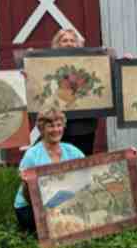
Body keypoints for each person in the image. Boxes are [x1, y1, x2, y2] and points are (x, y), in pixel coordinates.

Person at [14, 108, 85, 234]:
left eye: (59, 125)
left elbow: (88, 172)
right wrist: (45, 211)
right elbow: (26, 191)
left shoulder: (72, 151)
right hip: (30, 206)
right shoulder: (32, 155)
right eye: (51, 126)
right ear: (42, 129)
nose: (56, 130)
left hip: (62, 203)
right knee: (57, 228)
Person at [50, 27, 117, 156]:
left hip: (84, 123)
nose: (69, 43)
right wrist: (30, 63)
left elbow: (108, 68)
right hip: (58, 123)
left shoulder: (88, 61)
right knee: (60, 159)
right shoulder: (47, 63)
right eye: (65, 40)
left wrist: (122, 60)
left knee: (83, 158)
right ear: (58, 43)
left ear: (78, 44)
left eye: (72, 40)